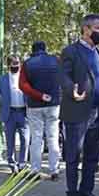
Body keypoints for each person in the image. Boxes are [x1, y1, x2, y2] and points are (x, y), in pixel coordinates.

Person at [58, 14, 99, 196]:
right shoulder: (71, 51)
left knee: (92, 156)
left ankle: (86, 191)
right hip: (78, 111)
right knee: (74, 155)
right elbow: (63, 75)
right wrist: (70, 89)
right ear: (86, 29)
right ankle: (72, 195)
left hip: (98, 111)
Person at [20, 41, 61, 180]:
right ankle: (54, 170)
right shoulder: (55, 60)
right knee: (53, 137)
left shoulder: (27, 64)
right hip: (54, 105)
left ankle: (35, 170)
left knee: (36, 138)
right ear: (45, 49)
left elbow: (23, 85)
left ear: (33, 50)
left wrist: (39, 95)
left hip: (35, 105)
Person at [0, 56, 29, 173]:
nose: (16, 65)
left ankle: (22, 164)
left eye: (18, 63)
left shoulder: (25, 78)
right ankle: (12, 164)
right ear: (8, 65)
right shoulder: (2, 79)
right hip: (9, 113)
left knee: (25, 139)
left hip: (23, 113)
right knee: (10, 141)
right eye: (14, 63)